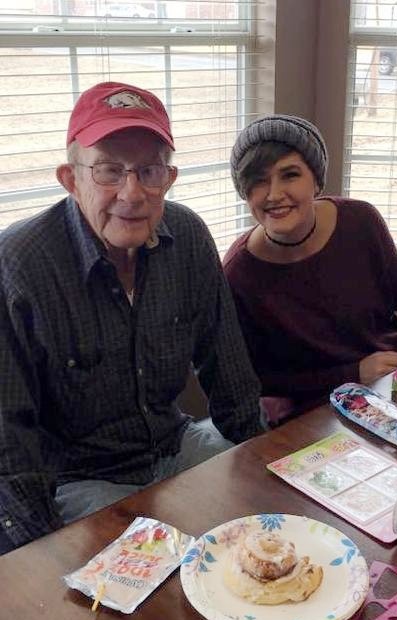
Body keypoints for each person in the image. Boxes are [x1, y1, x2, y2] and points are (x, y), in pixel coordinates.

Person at [0, 82, 263, 555]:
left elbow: (229, 370)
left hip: (177, 445)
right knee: (163, 580)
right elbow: (9, 440)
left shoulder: (188, 236)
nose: (132, 192)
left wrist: (259, 468)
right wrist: (36, 558)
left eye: (149, 170)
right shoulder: (20, 264)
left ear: (169, 176)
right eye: (109, 170)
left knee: (265, 534)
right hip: (82, 479)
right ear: (70, 178)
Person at [223, 114, 397, 426]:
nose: (274, 194)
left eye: (290, 175)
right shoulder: (239, 274)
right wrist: (352, 374)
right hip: (318, 414)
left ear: (316, 180)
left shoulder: (359, 220)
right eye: (259, 180)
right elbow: (258, 379)